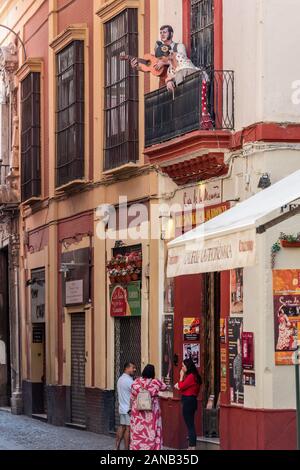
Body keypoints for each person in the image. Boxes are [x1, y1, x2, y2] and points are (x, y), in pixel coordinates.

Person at [130, 364, 167, 450]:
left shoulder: (136, 381)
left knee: (137, 431)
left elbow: (132, 397)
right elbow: (164, 387)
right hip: (152, 411)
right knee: (152, 430)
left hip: (138, 412)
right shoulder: (156, 382)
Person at [174, 359, 202, 450]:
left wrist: (181, 376)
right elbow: (182, 387)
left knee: (190, 425)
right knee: (190, 424)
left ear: (187, 366)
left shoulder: (191, 376)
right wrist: (180, 385)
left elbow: (181, 386)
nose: (182, 368)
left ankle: (192, 446)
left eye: (183, 366)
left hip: (188, 401)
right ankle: (191, 445)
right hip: (192, 400)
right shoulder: (195, 376)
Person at [116, 362, 136, 450]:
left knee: (122, 426)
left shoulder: (120, 379)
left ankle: (116, 447)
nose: (134, 370)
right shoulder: (129, 381)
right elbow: (135, 391)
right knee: (128, 428)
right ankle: (127, 448)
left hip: (122, 407)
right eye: (133, 368)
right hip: (128, 408)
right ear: (127, 368)